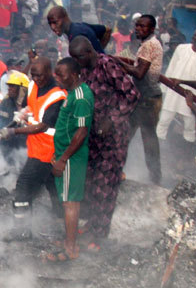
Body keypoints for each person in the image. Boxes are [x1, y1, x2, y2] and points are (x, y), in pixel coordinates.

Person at [68, 35, 139, 246]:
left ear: (89, 52)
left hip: (114, 136)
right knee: (91, 182)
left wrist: (112, 119)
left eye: (79, 57)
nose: (77, 62)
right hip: (93, 135)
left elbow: (132, 94)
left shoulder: (107, 65)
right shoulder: (84, 69)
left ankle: (100, 236)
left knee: (106, 184)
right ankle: (93, 222)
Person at [0, 57, 67, 230]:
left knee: (23, 185)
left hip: (48, 149)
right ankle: (61, 220)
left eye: (40, 76)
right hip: (36, 146)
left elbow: (43, 126)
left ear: (50, 72)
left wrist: (14, 131)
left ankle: (21, 229)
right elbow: (31, 106)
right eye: (33, 75)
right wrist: (22, 114)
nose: (36, 79)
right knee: (52, 184)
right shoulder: (33, 86)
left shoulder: (57, 95)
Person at [49, 57, 93, 260]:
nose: (57, 77)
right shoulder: (72, 93)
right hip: (64, 154)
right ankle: (69, 240)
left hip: (72, 158)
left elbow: (82, 132)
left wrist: (63, 159)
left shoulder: (82, 97)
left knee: (70, 204)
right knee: (68, 201)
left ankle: (70, 248)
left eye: (62, 74)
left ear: (74, 75)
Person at [119, 14, 163, 184]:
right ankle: (154, 177)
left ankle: (155, 179)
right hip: (146, 97)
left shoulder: (148, 46)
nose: (138, 29)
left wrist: (117, 63)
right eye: (137, 26)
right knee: (129, 135)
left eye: (143, 26)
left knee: (144, 139)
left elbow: (139, 73)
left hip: (146, 99)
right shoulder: (150, 43)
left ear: (152, 29)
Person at [157, 29, 196, 144]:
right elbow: (171, 69)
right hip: (174, 91)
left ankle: (187, 147)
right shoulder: (181, 49)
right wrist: (164, 89)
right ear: (192, 37)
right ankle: (159, 143)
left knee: (189, 125)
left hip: (191, 95)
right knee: (164, 120)